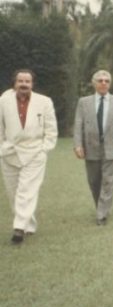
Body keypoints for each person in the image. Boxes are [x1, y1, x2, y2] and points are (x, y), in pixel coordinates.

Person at [0, 69, 58, 244]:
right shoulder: (3, 100)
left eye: (27, 81)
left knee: (26, 191)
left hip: (35, 152)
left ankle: (18, 229)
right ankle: (28, 225)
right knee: (13, 192)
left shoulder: (44, 102)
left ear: (32, 84)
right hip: (9, 152)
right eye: (20, 81)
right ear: (14, 83)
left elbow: (51, 129)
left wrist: (44, 149)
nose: (24, 84)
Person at [73, 70, 113, 225]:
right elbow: (78, 124)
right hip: (90, 146)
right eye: (100, 80)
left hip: (112, 147)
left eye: (107, 81)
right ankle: (101, 205)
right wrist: (78, 145)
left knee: (108, 180)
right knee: (94, 180)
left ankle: (101, 214)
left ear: (110, 84)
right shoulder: (83, 102)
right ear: (94, 83)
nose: (103, 83)